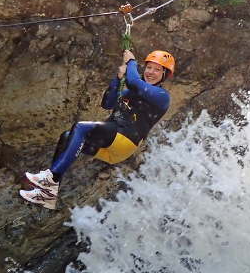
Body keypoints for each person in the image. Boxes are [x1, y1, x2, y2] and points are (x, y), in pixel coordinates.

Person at [19, 49, 175, 209]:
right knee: (67, 136)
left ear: (164, 75)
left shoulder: (162, 96)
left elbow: (135, 81)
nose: (151, 72)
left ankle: (51, 178)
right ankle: (47, 195)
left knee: (81, 128)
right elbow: (107, 103)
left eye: (157, 70)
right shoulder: (131, 92)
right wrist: (117, 79)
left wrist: (131, 62)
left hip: (125, 139)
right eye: (149, 67)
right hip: (114, 142)